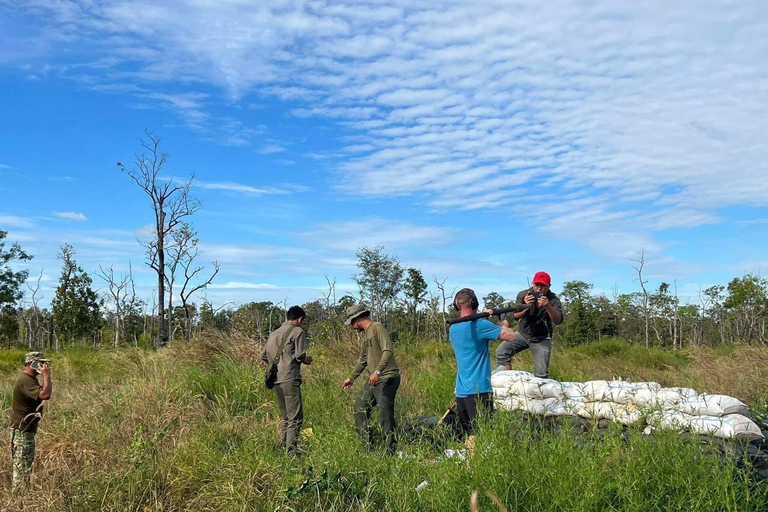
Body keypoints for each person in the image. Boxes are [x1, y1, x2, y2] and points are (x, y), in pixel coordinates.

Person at [449, 288, 518, 438]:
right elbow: (511, 336)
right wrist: (503, 324)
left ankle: (469, 461)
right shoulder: (481, 326)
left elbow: (472, 331)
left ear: (457, 305)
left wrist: (484, 319)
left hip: (461, 391)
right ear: (474, 303)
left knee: (470, 436)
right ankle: (478, 461)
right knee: (483, 435)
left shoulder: (454, 328)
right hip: (479, 391)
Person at [341, 304, 401, 454]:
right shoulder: (367, 334)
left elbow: (388, 350)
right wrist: (351, 378)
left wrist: (378, 371)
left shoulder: (377, 327)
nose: (352, 327)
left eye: (352, 323)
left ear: (357, 318)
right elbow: (363, 360)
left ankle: (390, 451)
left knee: (385, 415)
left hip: (387, 378)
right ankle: (368, 447)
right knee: (360, 409)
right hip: (374, 380)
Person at [261, 305, 313, 455]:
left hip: (275, 379)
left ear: (286, 318)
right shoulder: (298, 332)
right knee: (295, 416)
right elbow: (299, 355)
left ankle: (283, 445)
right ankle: (291, 451)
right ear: (300, 319)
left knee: (285, 416)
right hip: (290, 377)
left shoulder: (274, 333)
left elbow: (263, 356)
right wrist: (306, 360)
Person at [495, 271, 564, 378]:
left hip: (541, 338)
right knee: (502, 351)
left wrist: (547, 306)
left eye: (543, 285)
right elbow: (515, 316)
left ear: (549, 286)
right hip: (523, 333)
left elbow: (558, 320)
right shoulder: (523, 295)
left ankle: (540, 391)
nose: (539, 288)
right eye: (537, 285)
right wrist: (526, 305)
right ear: (533, 284)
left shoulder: (553, 300)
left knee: (541, 373)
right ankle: (507, 380)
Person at [8, 351, 53, 493]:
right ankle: (18, 499)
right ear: (31, 363)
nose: (43, 366)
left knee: (23, 466)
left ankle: (19, 497)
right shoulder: (25, 380)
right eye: (40, 363)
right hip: (22, 431)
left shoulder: (30, 379)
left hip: (24, 430)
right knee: (22, 469)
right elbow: (45, 395)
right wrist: (46, 375)